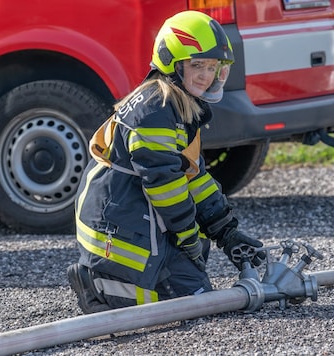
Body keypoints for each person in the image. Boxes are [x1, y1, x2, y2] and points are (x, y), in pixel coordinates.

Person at [67, 10, 265, 314]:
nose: (205, 75)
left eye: (212, 67)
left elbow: (194, 178)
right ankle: (99, 288)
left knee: (200, 287)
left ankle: (119, 283)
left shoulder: (177, 106)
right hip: (118, 230)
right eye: (197, 65)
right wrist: (187, 238)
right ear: (171, 63)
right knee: (197, 303)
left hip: (131, 217)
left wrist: (226, 232)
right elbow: (164, 185)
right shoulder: (156, 110)